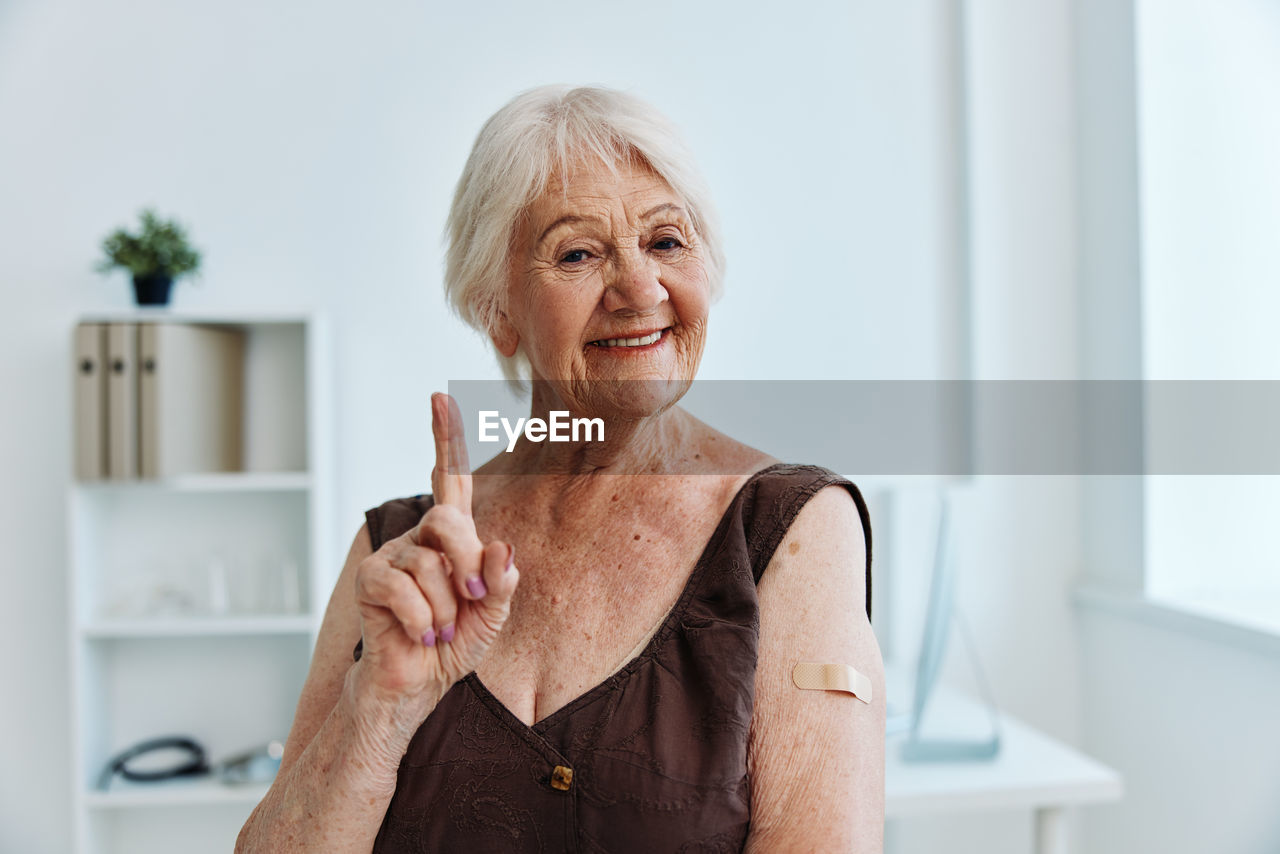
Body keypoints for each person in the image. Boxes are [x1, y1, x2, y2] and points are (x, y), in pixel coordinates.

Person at [237, 85, 884, 853]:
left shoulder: (789, 530)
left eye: (667, 242)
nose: (640, 290)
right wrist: (376, 707)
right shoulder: (399, 553)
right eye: (578, 253)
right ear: (496, 309)